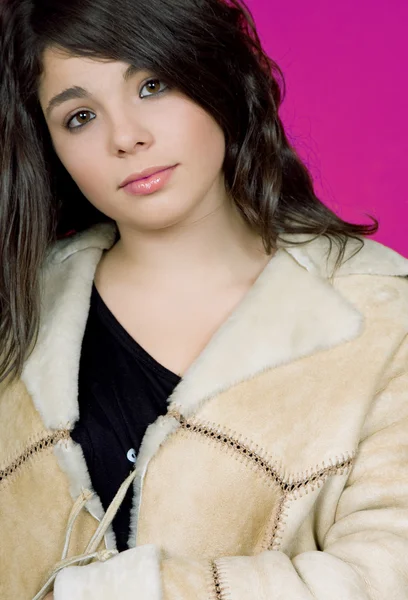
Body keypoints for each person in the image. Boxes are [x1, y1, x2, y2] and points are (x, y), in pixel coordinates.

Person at [1, 0, 408, 598]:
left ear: (215, 77)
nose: (127, 137)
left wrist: (135, 591)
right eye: (81, 116)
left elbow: (391, 570)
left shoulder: (378, 314)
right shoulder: (17, 313)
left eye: (152, 85)